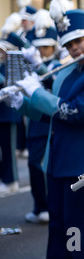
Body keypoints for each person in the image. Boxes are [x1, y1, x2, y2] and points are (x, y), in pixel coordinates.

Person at [4, 0, 84, 259]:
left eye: (78, 41)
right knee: (57, 226)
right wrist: (21, 101)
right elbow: (49, 114)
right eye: (68, 45)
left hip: (81, 162)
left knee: (76, 227)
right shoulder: (67, 71)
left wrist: (36, 92)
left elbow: (73, 111)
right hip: (55, 160)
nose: (74, 48)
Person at [20, 9, 61, 223]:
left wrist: (39, 66)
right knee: (33, 165)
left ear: (54, 47)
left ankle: (47, 206)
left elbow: (55, 85)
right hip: (35, 121)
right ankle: (39, 206)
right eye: (38, 47)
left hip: (51, 121)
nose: (42, 51)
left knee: (44, 166)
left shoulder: (60, 64)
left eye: (46, 47)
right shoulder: (31, 64)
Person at [0, 13, 29, 194]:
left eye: (4, 50)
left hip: (9, 113)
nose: (1, 53)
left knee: (9, 150)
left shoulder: (14, 65)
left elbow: (14, 85)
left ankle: (11, 181)